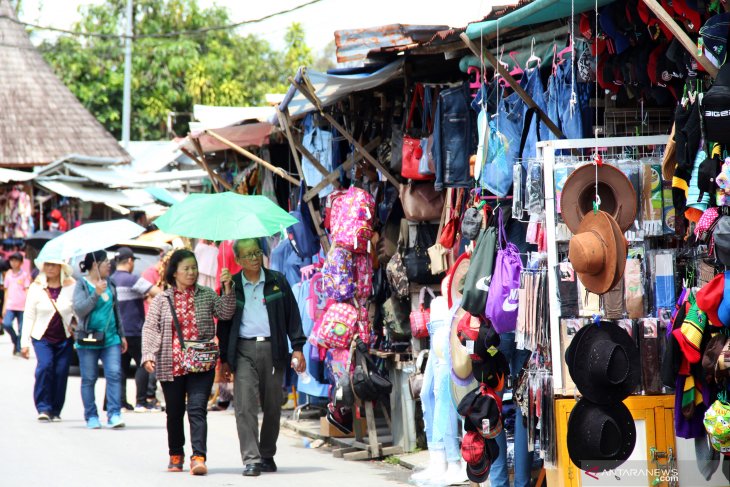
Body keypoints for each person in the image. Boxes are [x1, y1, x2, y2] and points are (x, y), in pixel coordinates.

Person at [217, 238, 307, 477]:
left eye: (257, 252)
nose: (255, 258)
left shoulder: (277, 281)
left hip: (274, 350)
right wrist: (224, 359)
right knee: (245, 406)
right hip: (243, 351)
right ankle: (251, 459)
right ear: (237, 260)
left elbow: (293, 316)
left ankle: (267, 453)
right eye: (248, 255)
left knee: (273, 405)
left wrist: (297, 347)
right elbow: (223, 325)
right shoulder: (231, 285)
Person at [142, 249, 235, 476]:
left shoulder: (206, 294)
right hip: (170, 363)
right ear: (174, 273)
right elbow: (150, 328)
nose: (192, 272)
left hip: (201, 363)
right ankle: (176, 453)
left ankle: (198, 457)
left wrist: (227, 289)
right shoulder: (162, 300)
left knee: (197, 409)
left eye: (194, 267)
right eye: (187, 268)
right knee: (174, 411)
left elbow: (225, 313)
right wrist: (148, 354)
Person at [72, 250, 128, 429]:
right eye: (106, 263)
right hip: (88, 339)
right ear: (96, 265)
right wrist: (95, 293)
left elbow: (116, 310)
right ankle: (91, 416)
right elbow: (80, 310)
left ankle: (114, 414)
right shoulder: (81, 284)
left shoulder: (110, 283)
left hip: (111, 338)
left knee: (114, 374)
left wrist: (122, 334)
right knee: (89, 378)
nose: (109, 266)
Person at [20, 259, 77, 422]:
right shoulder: (36, 287)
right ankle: (43, 407)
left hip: (64, 337)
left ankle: (56, 409)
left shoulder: (71, 287)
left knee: (61, 372)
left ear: (61, 268)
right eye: (48, 265)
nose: (51, 268)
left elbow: (76, 311)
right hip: (42, 337)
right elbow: (29, 315)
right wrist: (24, 343)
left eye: (54, 265)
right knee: (45, 367)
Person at [110, 247, 161, 412]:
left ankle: (121, 402)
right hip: (135, 330)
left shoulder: (110, 280)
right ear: (130, 261)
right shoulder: (133, 280)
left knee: (121, 367)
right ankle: (141, 401)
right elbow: (158, 292)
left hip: (117, 331)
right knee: (142, 363)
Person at [3, 252, 31, 356]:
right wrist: (4, 306)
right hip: (10, 304)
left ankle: (19, 348)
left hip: (22, 305)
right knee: (7, 324)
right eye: (12, 261)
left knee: (21, 328)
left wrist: (29, 304)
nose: (14, 263)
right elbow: (6, 291)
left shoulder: (24, 275)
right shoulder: (8, 274)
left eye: (16, 261)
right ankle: (15, 341)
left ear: (21, 262)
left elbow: (27, 289)